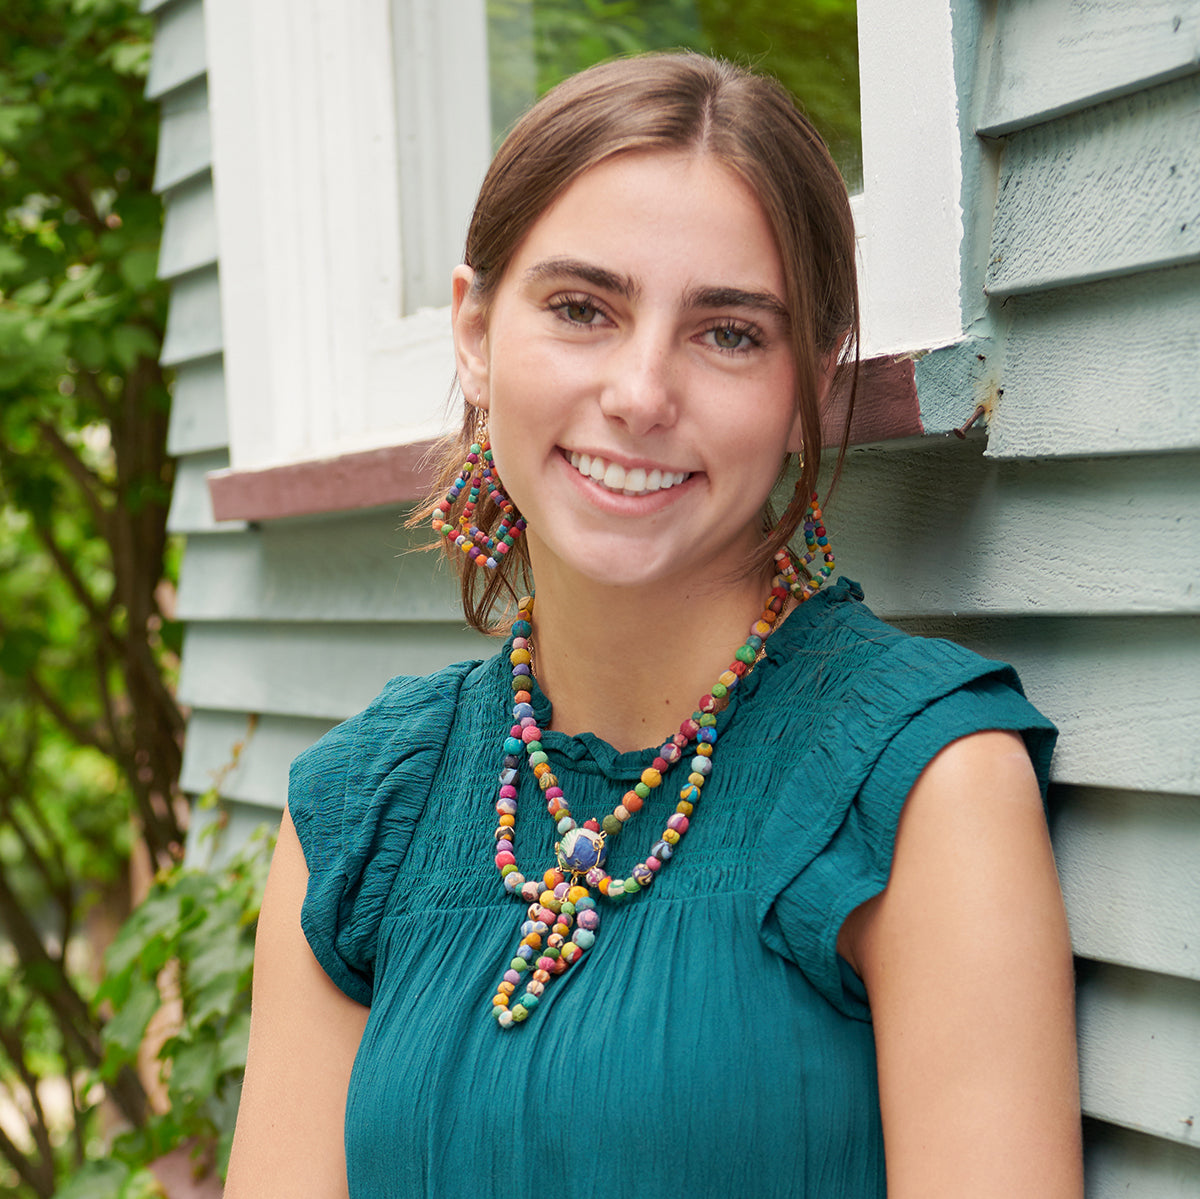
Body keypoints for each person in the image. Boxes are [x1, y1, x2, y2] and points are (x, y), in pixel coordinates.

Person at [225, 53, 1082, 1198]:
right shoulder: (361, 809)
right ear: (475, 333)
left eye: (728, 331)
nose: (640, 391)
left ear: (805, 378)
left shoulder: (922, 783)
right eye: (582, 308)